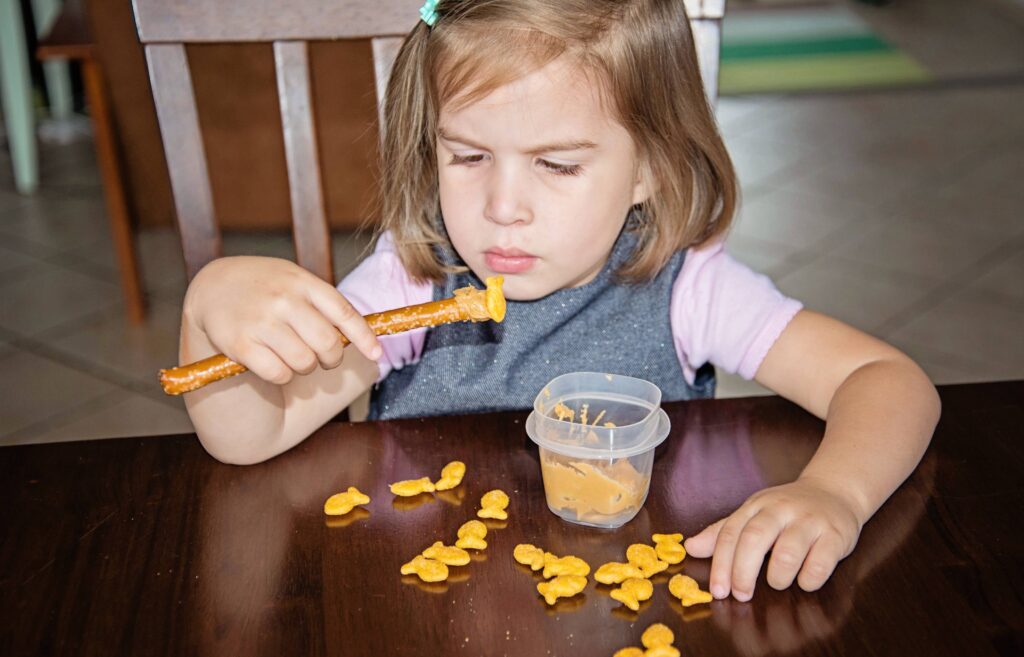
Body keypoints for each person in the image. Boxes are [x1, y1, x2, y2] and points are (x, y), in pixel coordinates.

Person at [178, 0, 940, 601]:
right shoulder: (414, 278)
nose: (504, 206)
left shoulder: (687, 284)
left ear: (649, 169)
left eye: (558, 165)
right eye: (468, 155)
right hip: (426, 599)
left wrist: (834, 492)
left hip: (634, 602)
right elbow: (251, 436)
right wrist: (208, 309)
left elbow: (888, 382)